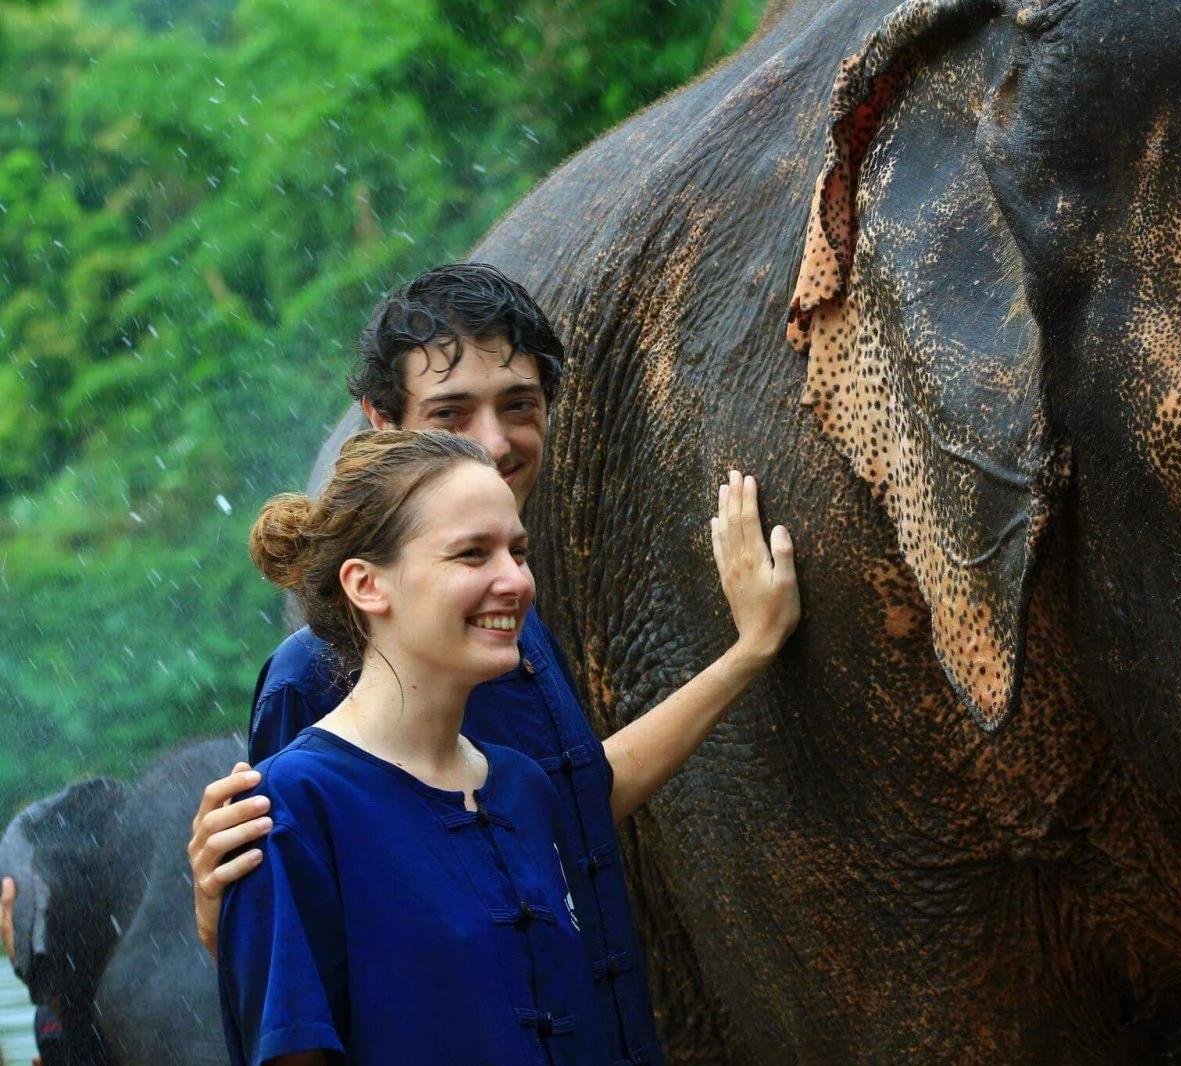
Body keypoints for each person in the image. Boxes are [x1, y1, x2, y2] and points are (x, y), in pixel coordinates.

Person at [0, 263, 795, 1064]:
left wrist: (748, 651)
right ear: (381, 425)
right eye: (451, 415)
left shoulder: (508, 646)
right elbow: (293, 945)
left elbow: (575, 804)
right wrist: (224, 911)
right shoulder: (313, 685)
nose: (491, 443)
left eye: (518, 405)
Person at [222, 427, 793, 1064]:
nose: (515, 582)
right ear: (366, 584)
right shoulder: (291, 805)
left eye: (518, 552)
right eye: (472, 554)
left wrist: (753, 648)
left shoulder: (522, 789)